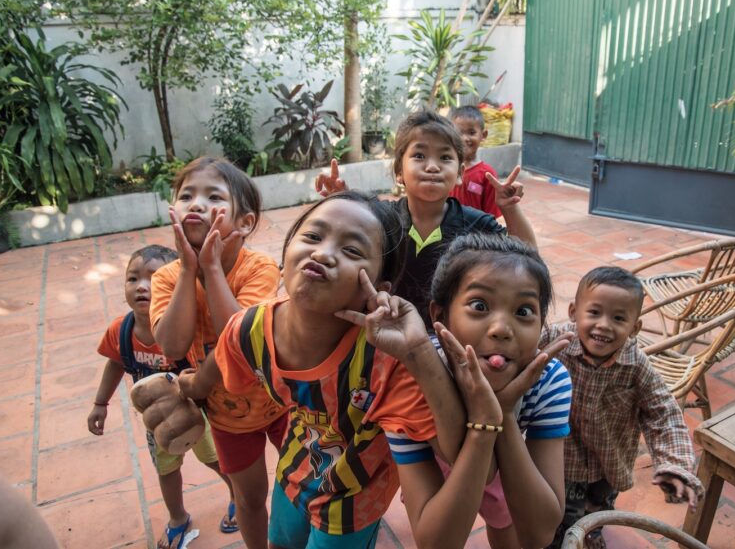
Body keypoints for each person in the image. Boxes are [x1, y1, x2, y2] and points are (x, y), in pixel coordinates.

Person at [212, 191, 503, 549]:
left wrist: (418, 353)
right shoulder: (250, 328)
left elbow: (455, 452)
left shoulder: (386, 362)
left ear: (378, 289)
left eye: (351, 250)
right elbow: (218, 364)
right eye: (313, 236)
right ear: (284, 257)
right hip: (294, 471)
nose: (323, 253)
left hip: (357, 498)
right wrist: (181, 388)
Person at [150, 157, 281, 549]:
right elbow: (172, 346)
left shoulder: (259, 267)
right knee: (250, 497)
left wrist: (211, 268)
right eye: (186, 195)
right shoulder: (167, 277)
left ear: (244, 223)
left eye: (213, 196)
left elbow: (240, 338)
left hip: (281, 402)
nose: (196, 204)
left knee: (303, 486)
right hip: (227, 415)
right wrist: (190, 272)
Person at [315, 110, 536, 326]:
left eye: (445, 157)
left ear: (459, 173)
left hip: (449, 336)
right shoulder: (383, 218)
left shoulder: (474, 224)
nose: (432, 166)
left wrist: (510, 209)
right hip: (387, 327)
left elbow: (526, 255)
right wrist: (342, 200)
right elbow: (348, 235)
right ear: (399, 171)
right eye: (419, 156)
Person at [427, 233, 574, 548]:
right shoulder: (417, 374)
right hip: (436, 458)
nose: (501, 329)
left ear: (542, 325)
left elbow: (538, 534)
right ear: (440, 316)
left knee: (505, 528)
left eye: (523, 312)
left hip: (506, 463)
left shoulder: (548, 382)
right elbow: (435, 542)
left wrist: (504, 413)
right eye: (480, 306)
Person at [543, 267, 703, 549]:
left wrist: (675, 465)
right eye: (594, 313)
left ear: (634, 327)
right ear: (573, 312)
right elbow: (520, 345)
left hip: (610, 462)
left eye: (618, 318)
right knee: (562, 516)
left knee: (600, 507)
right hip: (563, 460)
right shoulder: (556, 341)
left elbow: (663, 413)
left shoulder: (636, 365)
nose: (604, 325)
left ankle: (593, 534)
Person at [87, 244, 233, 549]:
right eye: (133, 278)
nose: (142, 286)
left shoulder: (186, 329)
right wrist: (100, 403)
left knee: (216, 460)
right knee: (166, 469)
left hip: (197, 416)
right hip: (156, 423)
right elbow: (115, 363)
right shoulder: (121, 331)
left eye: (154, 278)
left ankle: (239, 496)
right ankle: (178, 517)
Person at [447, 105, 501, 218]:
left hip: (475, 234)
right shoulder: (446, 167)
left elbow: (492, 216)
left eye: (471, 133)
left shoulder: (488, 175)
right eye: (459, 133)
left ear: (483, 135)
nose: (465, 138)